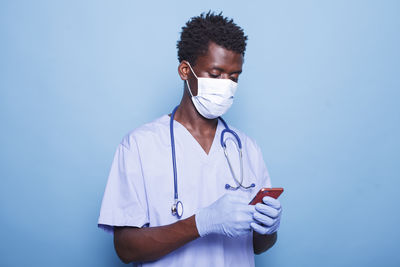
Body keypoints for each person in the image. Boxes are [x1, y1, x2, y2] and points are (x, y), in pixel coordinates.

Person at [98, 11, 282, 266]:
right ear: (185, 70)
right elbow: (126, 248)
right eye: (216, 74)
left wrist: (268, 229)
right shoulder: (139, 146)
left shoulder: (246, 149)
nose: (226, 85)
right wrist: (202, 222)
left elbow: (259, 247)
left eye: (234, 77)